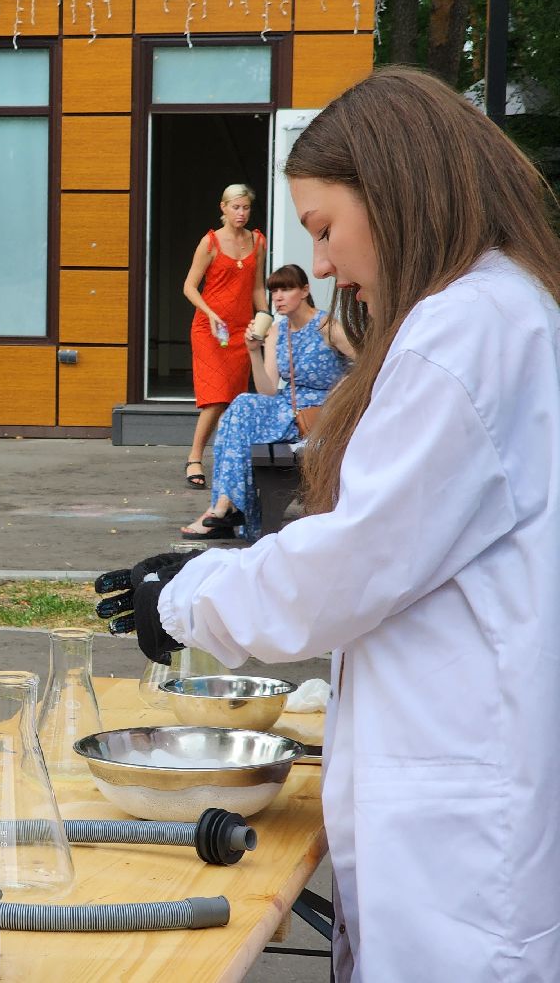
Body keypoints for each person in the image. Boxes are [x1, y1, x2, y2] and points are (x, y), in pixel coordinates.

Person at [99, 67, 560, 981]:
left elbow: (352, 564)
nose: (326, 264)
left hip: (457, 825)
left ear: (393, 188)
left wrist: (188, 596)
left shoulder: (462, 329)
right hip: (460, 769)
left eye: (324, 230)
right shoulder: (504, 309)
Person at [180, 263, 351, 540]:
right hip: (287, 408)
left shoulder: (326, 326)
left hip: (322, 411)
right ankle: (224, 503)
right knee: (242, 405)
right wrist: (253, 353)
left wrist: (341, 393)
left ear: (305, 290)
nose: (279, 297)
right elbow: (268, 390)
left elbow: (367, 363)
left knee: (240, 415)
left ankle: (224, 507)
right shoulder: (275, 331)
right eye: (274, 291)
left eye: (287, 289)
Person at [182, 184, 269, 490]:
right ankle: (194, 457)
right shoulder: (210, 242)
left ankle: (226, 461)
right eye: (235, 208)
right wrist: (210, 313)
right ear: (223, 208)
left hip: (241, 330)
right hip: (210, 329)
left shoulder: (258, 241)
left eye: (246, 208)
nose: (241, 213)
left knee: (233, 399)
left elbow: (257, 287)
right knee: (216, 398)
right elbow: (190, 286)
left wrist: (265, 322)